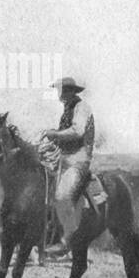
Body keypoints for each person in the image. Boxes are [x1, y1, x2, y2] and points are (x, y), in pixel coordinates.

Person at [39, 75, 103, 247]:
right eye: (59, 90)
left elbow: (77, 131)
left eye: (61, 90)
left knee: (61, 197)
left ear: (69, 91)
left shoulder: (82, 107)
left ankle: (68, 237)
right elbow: (64, 135)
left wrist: (54, 134)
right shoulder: (68, 108)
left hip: (79, 159)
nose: (59, 94)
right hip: (64, 158)